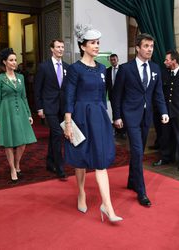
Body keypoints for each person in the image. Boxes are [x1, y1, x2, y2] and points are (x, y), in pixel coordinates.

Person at [63, 24, 123, 223]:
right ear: (83, 46)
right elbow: (69, 96)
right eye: (92, 43)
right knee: (80, 156)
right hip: (80, 115)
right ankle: (81, 192)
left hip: (98, 115)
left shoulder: (101, 69)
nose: (97, 46)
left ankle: (107, 206)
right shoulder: (74, 69)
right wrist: (68, 123)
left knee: (100, 159)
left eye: (98, 43)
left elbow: (104, 95)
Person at [112, 33, 169, 207]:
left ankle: (131, 180)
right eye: (146, 46)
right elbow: (117, 95)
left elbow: (158, 93)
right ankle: (141, 191)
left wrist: (164, 112)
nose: (149, 49)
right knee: (137, 151)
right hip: (130, 115)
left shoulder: (155, 68)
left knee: (139, 150)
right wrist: (117, 116)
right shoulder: (125, 69)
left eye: (151, 46)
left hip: (147, 116)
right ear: (137, 48)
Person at [0, 48, 37, 182]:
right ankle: (12, 168)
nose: (14, 62)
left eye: (15, 60)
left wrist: (29, 113)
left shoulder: (21, 77)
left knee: (22, 142)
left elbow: (24, 97)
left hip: (21, 111)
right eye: (11, 60)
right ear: (5, 62)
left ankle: (17, 163)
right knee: (9, 143)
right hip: (6, 112)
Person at [153, 50, 179, 171]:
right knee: (165, 135)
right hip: (166, 111)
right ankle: (166, 157)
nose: (165, 62)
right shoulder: (164, 74)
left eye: (167, 60)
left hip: (178, 111)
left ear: (174, 61)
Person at [35, 39, 69, 180]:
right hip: (49, 106)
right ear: (52, 49)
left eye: (62, 47)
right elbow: (37, 88)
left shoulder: (67, 66)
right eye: (58, 47)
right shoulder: (44, 67)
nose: (61, 49)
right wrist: (39, 107)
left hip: (63, 106)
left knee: (54, 136)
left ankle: (49, 162)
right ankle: (59, 167)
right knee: (57, 134)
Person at [106, 53, 126, 139]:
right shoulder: (108, 70)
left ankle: (123, 131)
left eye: (114, 59)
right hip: (112, 96)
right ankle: (118, 131)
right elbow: (106, 85)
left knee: (122, 113)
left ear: (117, 60)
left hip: (123, 96)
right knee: (115, 113)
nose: (113, 61)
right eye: (111, 60)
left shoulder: (123, 69)